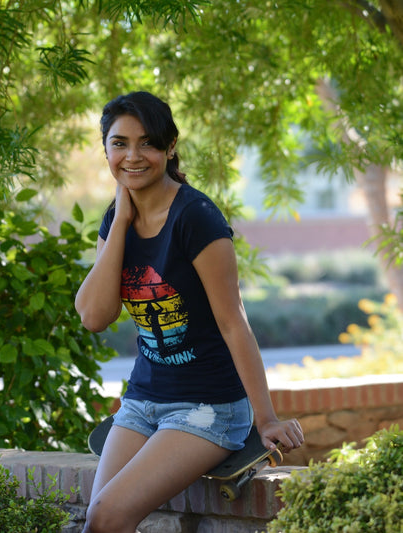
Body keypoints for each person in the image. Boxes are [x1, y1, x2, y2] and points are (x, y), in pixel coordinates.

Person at [75, 91, 304, 533]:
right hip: (142, 401)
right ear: (105, 149)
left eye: (147, 143)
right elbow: (94, 317)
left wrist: (266, 419)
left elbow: (233, 322)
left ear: (170, 146)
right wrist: (120, 222)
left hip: (208, 406)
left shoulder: (196, 217)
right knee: (97, 519)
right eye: (120, 143)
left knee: (107, 516)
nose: (132, 156)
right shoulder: (115, 219)